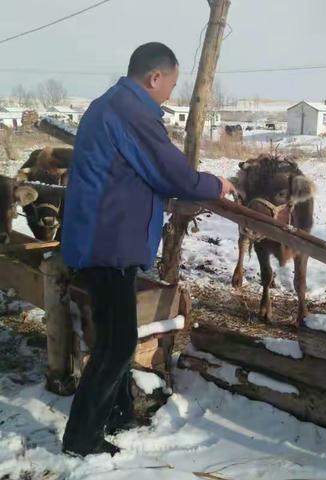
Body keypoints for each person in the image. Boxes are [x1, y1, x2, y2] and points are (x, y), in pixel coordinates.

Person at [61, 42, 235, 457]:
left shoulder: (111, 105)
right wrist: (216, 186)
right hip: (109, 243)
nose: (170, 94)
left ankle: (118, 413)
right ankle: (81, 439)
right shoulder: (131, 112)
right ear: (154, 78)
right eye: (171, 85)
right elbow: (171, 171)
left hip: (101, 237)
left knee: (112, 334)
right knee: (118, 343)